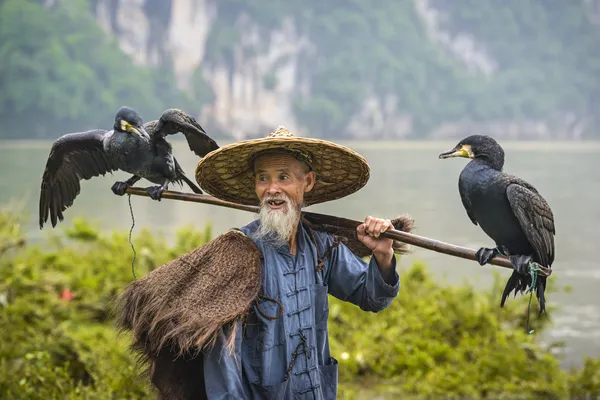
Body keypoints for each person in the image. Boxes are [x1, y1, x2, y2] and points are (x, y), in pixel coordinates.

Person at [192, 126, 402, 399]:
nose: (272, 189)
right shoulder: (239, 253)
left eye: (284, 177)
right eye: (263, 178)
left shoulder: (321, 245)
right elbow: (221, 355)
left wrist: (383, 254)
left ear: (308, 182)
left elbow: (373, 297)